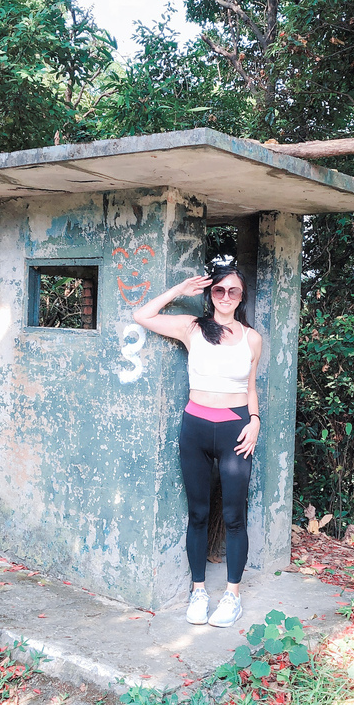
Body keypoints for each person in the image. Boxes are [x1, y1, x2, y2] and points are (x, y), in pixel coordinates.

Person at [133, 265, 262, 627]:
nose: (225, 297)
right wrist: (180, 288)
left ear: (241, 297)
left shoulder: (252, 338)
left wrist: (255, 421)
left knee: (235, 516)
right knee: (198, 514)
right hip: (196, 429)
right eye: (218, 290)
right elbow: (141, 315)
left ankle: (232, 596)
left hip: (237, 430)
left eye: (232, 291)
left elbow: (251, 388)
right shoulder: (193, 327)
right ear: (210, 295)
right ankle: (199, 591)